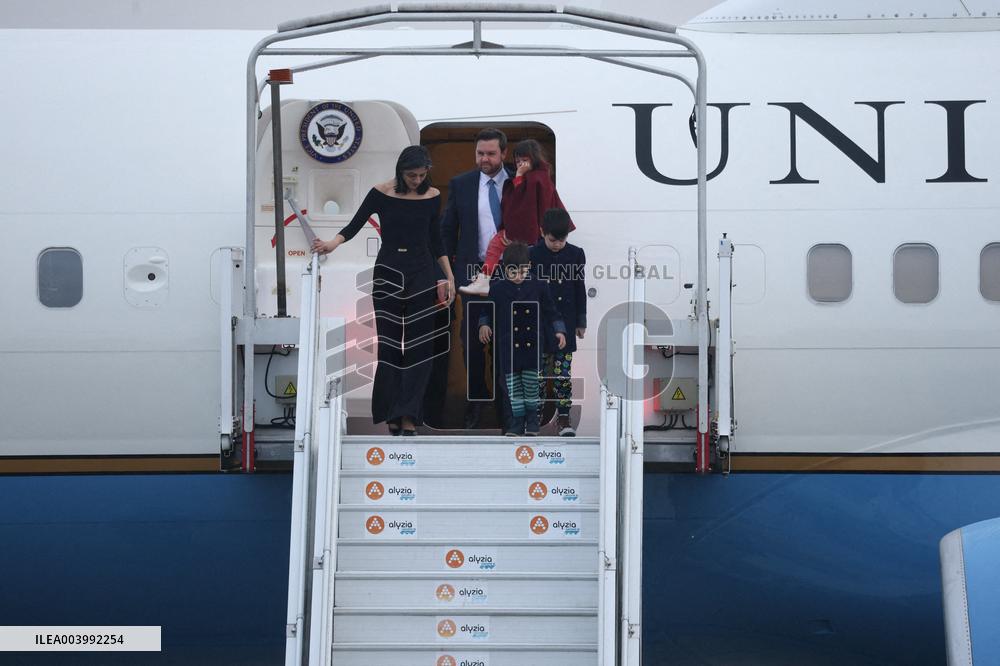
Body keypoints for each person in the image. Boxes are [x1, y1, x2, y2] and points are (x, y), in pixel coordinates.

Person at [313, 145, 455, 436]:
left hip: (422, 272)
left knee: (419, 347)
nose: (417, 180)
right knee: (389, 346)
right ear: (400, 172)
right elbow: (355, 224)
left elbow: (436, 240)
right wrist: (333, 243)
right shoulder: (381, 192)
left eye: (421, 174)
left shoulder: (432, 197)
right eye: (411, 175)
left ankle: (409, 415)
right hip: (388, 271)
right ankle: (390, 410)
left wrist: (449, 278)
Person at [440, 128, 515, 429]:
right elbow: (447, 231)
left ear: (504, 154)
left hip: (510, 274)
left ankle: (507, 410)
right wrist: (446, 273)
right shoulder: (462, 184)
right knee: (471, 345)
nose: (484, 159)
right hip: (472, 274)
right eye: (480, 154)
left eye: (491, 154)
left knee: (507, 343)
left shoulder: (519, 183)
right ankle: (475, 406)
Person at [459, 139, 572, 297]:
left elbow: (520, 203)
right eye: (518, 161)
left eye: (524, 160)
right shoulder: (539, 177)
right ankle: (483, 280)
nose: (520, 165)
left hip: (526, 230)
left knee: (496, 247)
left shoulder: (536, 179)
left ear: (534, 159)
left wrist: (518, 176)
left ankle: (483, 279)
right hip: (529, 230)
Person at [478, 243, 566, 436]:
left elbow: (552, 311)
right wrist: (484, 324)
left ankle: (533, 422)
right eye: (513, 273)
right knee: (512, 386)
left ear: (529, 266)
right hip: (508, 346)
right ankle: (516, 423)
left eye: (522, 272)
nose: (518, 277)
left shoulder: (539, 285)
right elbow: (487, 310)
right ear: (504, 269)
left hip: (533, 344)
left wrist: (559, 331)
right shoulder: (498, 288)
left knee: (531, 384)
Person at [530, 209, 587, 436]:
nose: (557, 245)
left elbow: (579, 288)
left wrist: (581, 321)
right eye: (553, 240)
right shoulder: (532, 254)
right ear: (542, 232)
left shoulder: (576, 254)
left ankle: (564, 418)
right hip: (539, 322)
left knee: (563, 373)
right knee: (539, 375)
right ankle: (535, 418)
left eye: (562, 240)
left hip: (566, 319)